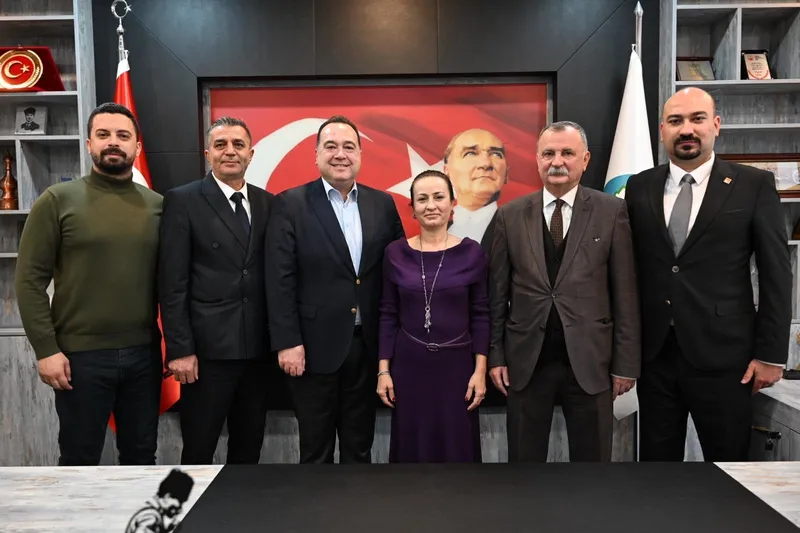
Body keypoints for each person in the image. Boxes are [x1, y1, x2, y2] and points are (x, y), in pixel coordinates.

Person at [625, 87, 791, 462]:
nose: (687, 129)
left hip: (726, 358)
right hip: (655, 356)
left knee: (728, 467)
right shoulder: (640, 186)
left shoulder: (753, 185)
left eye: (697, 119)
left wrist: (771, 354)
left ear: (716, 125)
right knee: (656, 469)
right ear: (662, 130)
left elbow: (777, 274)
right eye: (675, 121)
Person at [15, 102, 163, 466]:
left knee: (142, 457)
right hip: (79, 359)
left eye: (123, 135)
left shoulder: (158, 206)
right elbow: (29, 280)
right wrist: (46, 350)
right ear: (89, 144)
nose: (113, 142)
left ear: (137, 146)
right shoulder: (56, 200)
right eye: (103, 134)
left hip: (144, 356)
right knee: (79, 459)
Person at [488, 120, 640, 462]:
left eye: (567, 153)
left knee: (592, 466)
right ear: (537, 159)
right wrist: (496, 355)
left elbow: (626, 294)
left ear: (585, 160)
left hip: (592, 361)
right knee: (524, 466)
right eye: (548, 154)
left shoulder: (612, 211)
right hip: (527, 361)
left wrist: (626, 364)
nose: (557, 162)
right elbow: (497, 295)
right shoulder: (509, 216)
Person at [266, 115, 405, 464]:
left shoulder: (382, 204)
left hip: (367, 348)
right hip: (311, 350)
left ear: (360, 155)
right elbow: (279, 279)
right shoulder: (290, 204)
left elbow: (397, 273)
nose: (340, 154)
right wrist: (287, 342)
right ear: (316, 155)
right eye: (331, 146)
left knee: (360, 448)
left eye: (348, 147)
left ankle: (358, 502)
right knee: (316, 451)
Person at [158, 116, 274, 465]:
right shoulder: (183, 200)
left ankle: (242, 503)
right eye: (221, 145)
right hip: (205, 355)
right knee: (198, 449)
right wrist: (180, 350)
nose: (230, 151)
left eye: (238, 145)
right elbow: (172, 283)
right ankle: (191, 503)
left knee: (249, 448)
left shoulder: (268, 203)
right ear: (208, 154)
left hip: (257, 352)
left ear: (251, 154)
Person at [377, 169, 489, 463]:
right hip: (409, 367)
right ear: (412, 208)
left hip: (458, 368)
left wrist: (480, 371)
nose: (431, 205)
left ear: (453, 203)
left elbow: (481, 315)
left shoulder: (472, 253)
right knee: (412, 449)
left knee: (457, 447)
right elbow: (388, 314)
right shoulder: (395, 253)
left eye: (439, 197)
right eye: (422, 199)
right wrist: (383, 370)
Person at [444, 128, 508, 251]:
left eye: (496, 154)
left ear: (506, 174)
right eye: (470, 153)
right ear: (447, 172)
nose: (485, 163)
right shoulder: (435, 236)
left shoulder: (522, 231)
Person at [125, 468, 194, 533]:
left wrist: (169, 528)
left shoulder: (152, 512)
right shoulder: (151, 515)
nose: (180, 508)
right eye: (180, 502)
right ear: (167, 497)